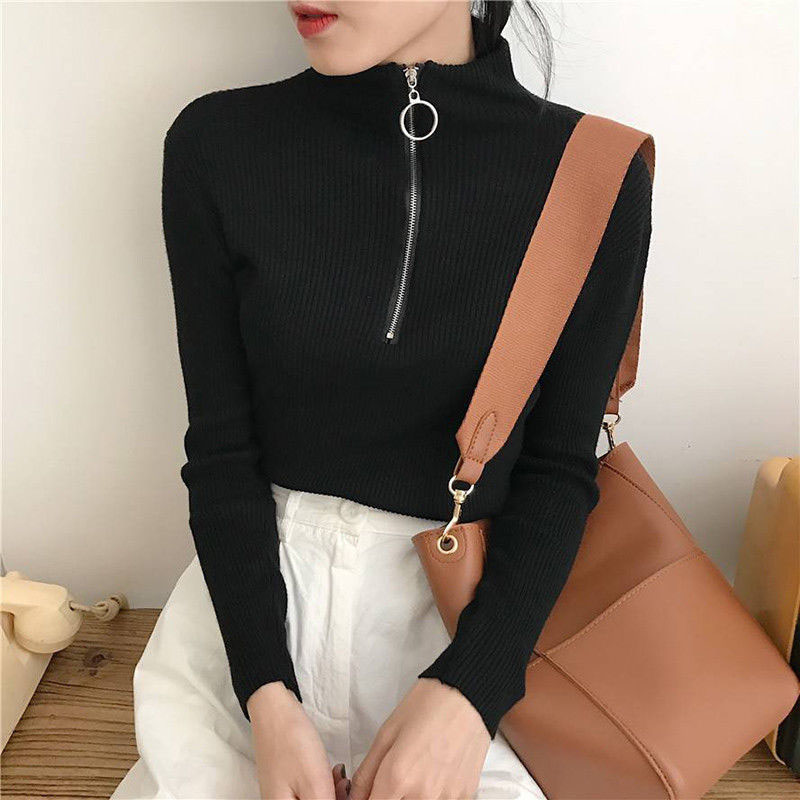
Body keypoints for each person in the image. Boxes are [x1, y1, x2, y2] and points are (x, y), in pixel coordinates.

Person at [112, 1, 653, 798]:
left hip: (469, 631)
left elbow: (559, 470)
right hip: (249, 629)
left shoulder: (592, 175)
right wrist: (266, 695)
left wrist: (470, 693)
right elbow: (222, 453)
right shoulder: (217, 144)